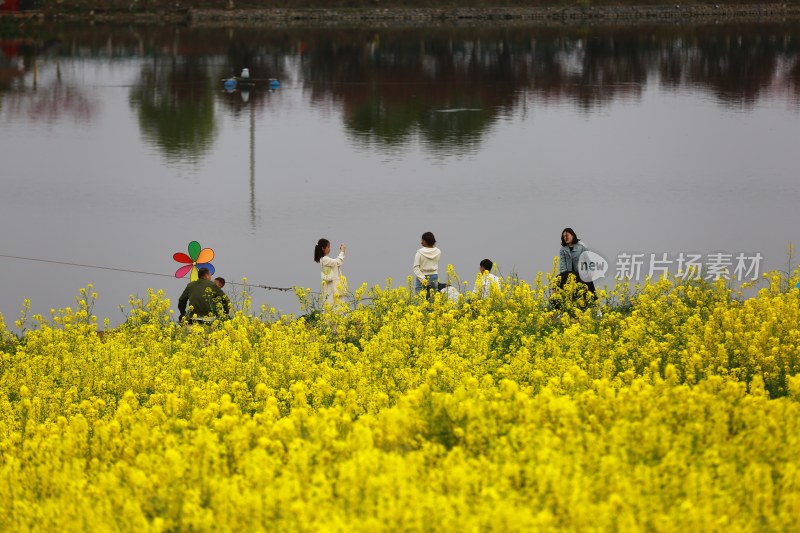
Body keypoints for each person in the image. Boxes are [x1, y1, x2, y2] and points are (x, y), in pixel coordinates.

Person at [557, 227, 596, 306]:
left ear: (572, 235)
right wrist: (564, 277)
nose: (565, 238)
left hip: (581, 273)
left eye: (567, 235)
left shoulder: (582, 246)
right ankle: (559, 310)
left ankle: (598, 309)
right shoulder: (563, 249)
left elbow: (589, 260)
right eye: (563, 236)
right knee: (557, 282)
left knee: (590, 289)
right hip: (569, 274)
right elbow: (562, 264)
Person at [314, 238, 346, 307]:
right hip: (332, 287)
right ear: (323, 248)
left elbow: (335, 263)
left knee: (331, 304)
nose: (329, 249)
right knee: (335, 305)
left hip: (329, 286)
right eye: (328, 247)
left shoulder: (323, 259)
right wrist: (342, 251)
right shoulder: (325, 259)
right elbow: (337, 262)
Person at [413, 231, 441, 299]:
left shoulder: (419, 252)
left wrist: (423, 280)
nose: (421, 242)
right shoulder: (438, 251)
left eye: (422, 240)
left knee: (419, 301)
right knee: (432, 301)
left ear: (425, 241)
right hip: (434, 276)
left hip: (421, 276)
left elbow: (416, 268)